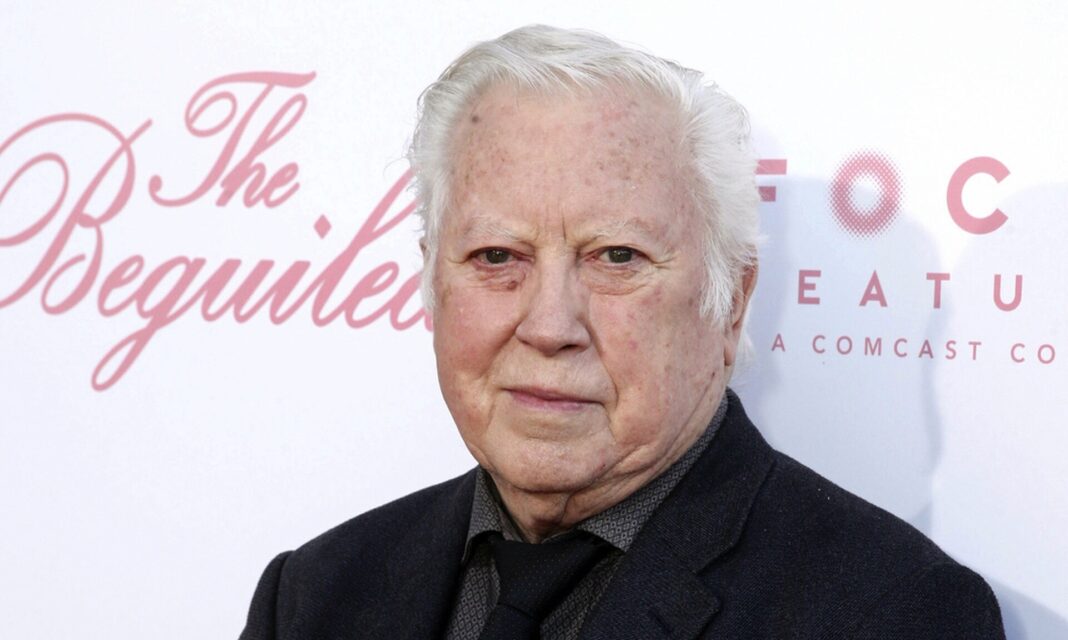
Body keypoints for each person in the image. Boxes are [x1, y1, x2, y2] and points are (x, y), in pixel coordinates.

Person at [239, 25, 1005, 639]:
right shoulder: (314, 594)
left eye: (616, 257)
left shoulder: (895, 614)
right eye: (497, 256)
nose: (549, 326)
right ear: (432, 282)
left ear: (731, 303)